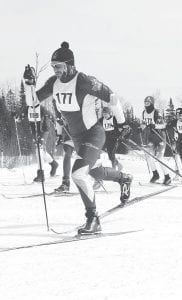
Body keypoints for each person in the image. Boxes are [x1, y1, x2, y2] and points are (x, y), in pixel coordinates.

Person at [23, 41, 133, 235]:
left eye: (59, 66)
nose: (55, 70)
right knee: (96, 172)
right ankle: (124, 178)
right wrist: (29, 84)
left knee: (78, 174)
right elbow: (33, 102)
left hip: (94, 133)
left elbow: (112, 97)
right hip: (77, 137)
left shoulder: (84, 81)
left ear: (70, 65)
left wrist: (122, 122)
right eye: (53, 66)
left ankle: (93, 219)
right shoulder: (54, 84)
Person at [17, 102, 59, 182]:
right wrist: (17, 117)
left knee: (39, 149)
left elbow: (51, 116)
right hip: (34, 131)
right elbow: (20, 116)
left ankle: (40, 174)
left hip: (43, 130)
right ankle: (54, 164)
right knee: (41, 151)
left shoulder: (41, 108)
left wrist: (56, 124)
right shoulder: (27, 108)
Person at [140, 96, 171, 185]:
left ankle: (167, 177)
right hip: (151, 138)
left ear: (152, 103)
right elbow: (143, 124)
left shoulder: (156, 112)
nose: (146, 105)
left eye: (148, 103)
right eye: (145, 103)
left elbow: (163, 126)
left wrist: (155, 126)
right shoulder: (143, 113)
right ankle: (155, 174)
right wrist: (141, 128)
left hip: (160, 137)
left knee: (159, 158)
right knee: (148, 156)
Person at [99, 106, 124, 171]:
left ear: (110, 113)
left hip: (114, 139)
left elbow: (120, 126)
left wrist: (120, 133)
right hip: (106, 138)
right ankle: (119, 165)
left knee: (111, 154)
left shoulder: (114, 119)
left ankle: (114, 168)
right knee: (109, 155)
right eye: (104, 114)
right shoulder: (102, 120)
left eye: (106, 114)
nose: (105, 115)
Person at [54, 120, 75, 192]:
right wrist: (59, 135)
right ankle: (66, 183)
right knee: (67, 155)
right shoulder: (59, 109)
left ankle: (97, 176)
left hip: (81, 135)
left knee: (85, 157)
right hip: (68, 134)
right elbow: (58, 119)